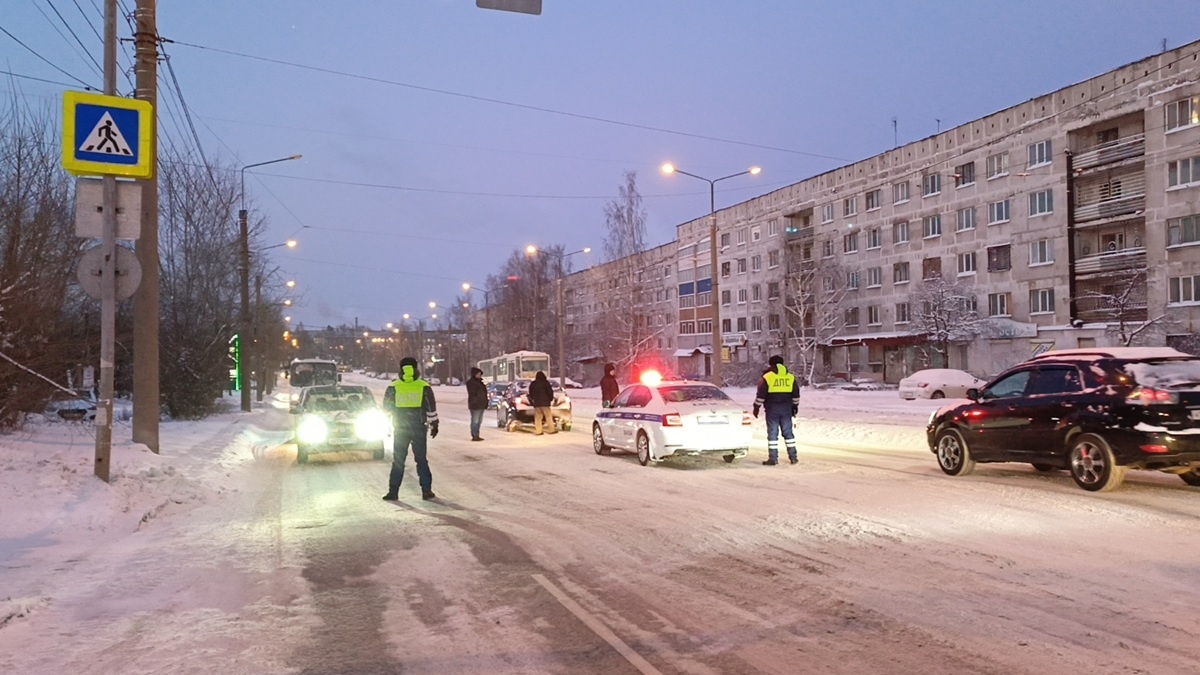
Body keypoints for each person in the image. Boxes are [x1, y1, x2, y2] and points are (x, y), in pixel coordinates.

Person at [382, 357, 439, 501]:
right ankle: (426, 491)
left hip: (400, 428)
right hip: (418, 428)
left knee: (398, 461)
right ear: (416, 368)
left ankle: (393, 492)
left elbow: (386, 408)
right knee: (421, 460)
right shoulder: (423, 385)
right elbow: (430, 407)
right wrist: (434, 424)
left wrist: (387, 425)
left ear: (401, 368)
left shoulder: (394, 386)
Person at [753, 355, 800, 466]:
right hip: (786, 409)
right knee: (788, 434)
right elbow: (796, 395)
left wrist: (756, 407)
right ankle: (793, 457)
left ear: (771, 364)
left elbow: (761, 395)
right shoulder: (790, 377)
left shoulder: (767, 377)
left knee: (773, 434)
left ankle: (773, 459)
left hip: (772, 409)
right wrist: (794, 406)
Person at [528, 370, 556, 435]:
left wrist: (533, 399)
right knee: (548, 416)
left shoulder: (533, 383)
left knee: (538, 418)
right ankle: (551, 430)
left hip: (537, 403)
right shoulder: (546, 383)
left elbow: (530, 392)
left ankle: (538, 431)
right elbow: (550, 392)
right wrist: (550, 399)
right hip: (545, 403)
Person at [466, 367, 487, 441]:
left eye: (480, 374)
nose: (479, 375)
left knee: (479, 420)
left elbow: (484, 394)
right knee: (475, 420)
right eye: (478, 374)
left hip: (481, 404)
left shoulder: (480, 383)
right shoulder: (471, 383)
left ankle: (477, 433)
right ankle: (474, 434)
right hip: (475, 405)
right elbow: (472, 394)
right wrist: (475, 402)